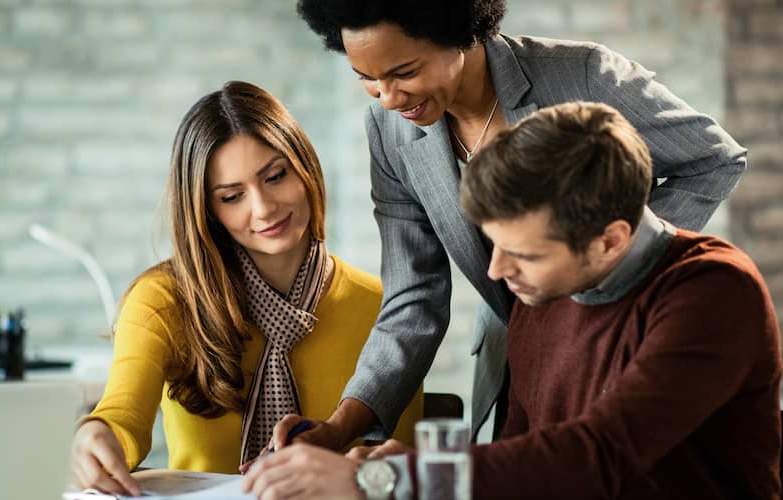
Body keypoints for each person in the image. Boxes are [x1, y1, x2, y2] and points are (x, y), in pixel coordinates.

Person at [269, 0, 750, 453]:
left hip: (618, 338)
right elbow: (413, 298)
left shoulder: (581, 75)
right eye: (367, 78)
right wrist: (339, 428)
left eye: (405, 72)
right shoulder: (389, 131)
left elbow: (714, 159)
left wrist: (602, 263)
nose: (389, 97)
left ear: (458, 33)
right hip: (524, 363)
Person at [244, 101, 781, 500]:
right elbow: (518, 465)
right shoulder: (544, 290)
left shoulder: (714, 291)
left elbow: (599, 458)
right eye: (494, 244)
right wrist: (410, 466)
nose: (497, 272)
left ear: (610, 240)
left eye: (522, 253)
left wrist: (379, 481)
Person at [69, 81, 422, 495]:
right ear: (208, 211)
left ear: (305, 167)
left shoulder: (385, 307)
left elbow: (401, 467)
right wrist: (96, 435)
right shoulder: (163, 300)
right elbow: (122, 418)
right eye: (232, 196)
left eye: (275, 176)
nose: (263, 208)